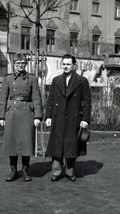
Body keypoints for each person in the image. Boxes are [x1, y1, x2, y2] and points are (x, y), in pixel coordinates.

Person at [45, 54, 91, 182]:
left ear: (74, 66)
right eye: (64, 64)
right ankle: (56, 171)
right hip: (58, 117)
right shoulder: (56, 80)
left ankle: (70, 172)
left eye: (68, 64)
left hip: (73, 118)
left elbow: (87, 102)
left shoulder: (82, 81)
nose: (65, 66)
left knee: (71, 146)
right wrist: (48, 116)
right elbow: (51, 100)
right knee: (56, 145)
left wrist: (85, 119)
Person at [0, 52, 42, 182]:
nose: (20, 65)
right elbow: (2, 99)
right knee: (12, 143)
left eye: (22, 63)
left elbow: (37, 98)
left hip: (27, 112)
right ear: (14, 64)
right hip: (11, 112)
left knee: (26, 143)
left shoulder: (32, 79)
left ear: (26, 64)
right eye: (18, 63)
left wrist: (37, 116)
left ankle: (25, 171)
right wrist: (1, 116)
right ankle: (13, 171)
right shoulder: (8, 79)